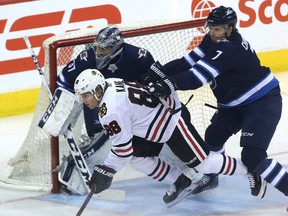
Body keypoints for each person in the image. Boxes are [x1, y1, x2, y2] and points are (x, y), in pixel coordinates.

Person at [142, 5, 288, 198]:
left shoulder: (228, 49)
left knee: (252, 156)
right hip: (234, 105)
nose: (212, 33)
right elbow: (187, 62)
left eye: (217, 29)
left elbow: (196, 77)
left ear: (230, 28)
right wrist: (160, 71)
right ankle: (211, 177)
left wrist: (170, 83)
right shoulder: (214, 40)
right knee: (212, 140)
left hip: (261, 102)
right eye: (210, 28)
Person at [73, 68, 264, 205]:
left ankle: (250, 170)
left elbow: (122, 149)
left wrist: (107, 170)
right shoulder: (111, 82)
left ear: (98, 90)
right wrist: (108, 168)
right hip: (154, 125)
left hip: (171, 123)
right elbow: (126, 145)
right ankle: (179, 180)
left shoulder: (110, 110)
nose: (84, 100)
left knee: (204, 163)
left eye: (86, 95)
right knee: (136, 157)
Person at [55, 25, 197, 206]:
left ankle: (196, 169)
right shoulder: (87, 58)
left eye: (104, 48)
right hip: (100, 107)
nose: (98, 52)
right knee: (105, 139)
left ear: (116, 48)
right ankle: (82, 171)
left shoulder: (139, 57)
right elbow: (62, 81)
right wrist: (64, 106)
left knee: (161, 141)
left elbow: (158, 82)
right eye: (97, 47)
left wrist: (175, 109)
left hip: (137, 111)